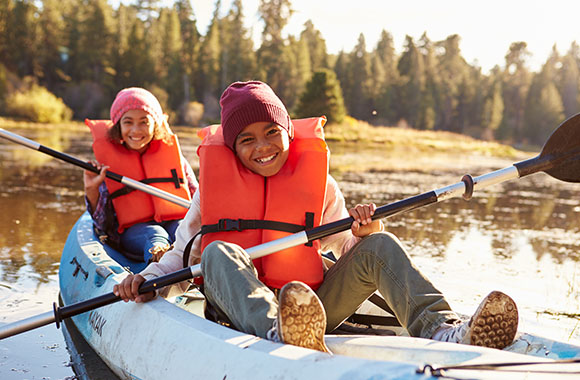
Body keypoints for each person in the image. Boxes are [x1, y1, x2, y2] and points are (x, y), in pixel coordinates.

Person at [114, 81, 518, 352]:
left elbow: (344, 248)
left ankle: (443, 330)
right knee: (216, 250)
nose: (263, 147)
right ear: (233, 149)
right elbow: (180, 252)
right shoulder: (212, 193)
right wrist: (148, 283)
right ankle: (277, 330)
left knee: (381, 244)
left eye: (273, 132)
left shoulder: (320, 185)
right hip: (242, 311)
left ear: (289, 132)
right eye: (247, 140)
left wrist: (364, 232)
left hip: (313, 307)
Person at [84, 87, 198, 263]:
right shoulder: (108, 165)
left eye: (144, 122)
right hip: (135, 231)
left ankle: (196, 272)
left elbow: (197, 201)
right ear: (118, 126)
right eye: (128, 122)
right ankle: (159, 259)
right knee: (155, 234)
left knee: (183, 229)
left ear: (155, 125)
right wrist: (92, 190)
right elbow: (102, 226)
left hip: (175, 221)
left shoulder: (176, 159)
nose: (136, 130)